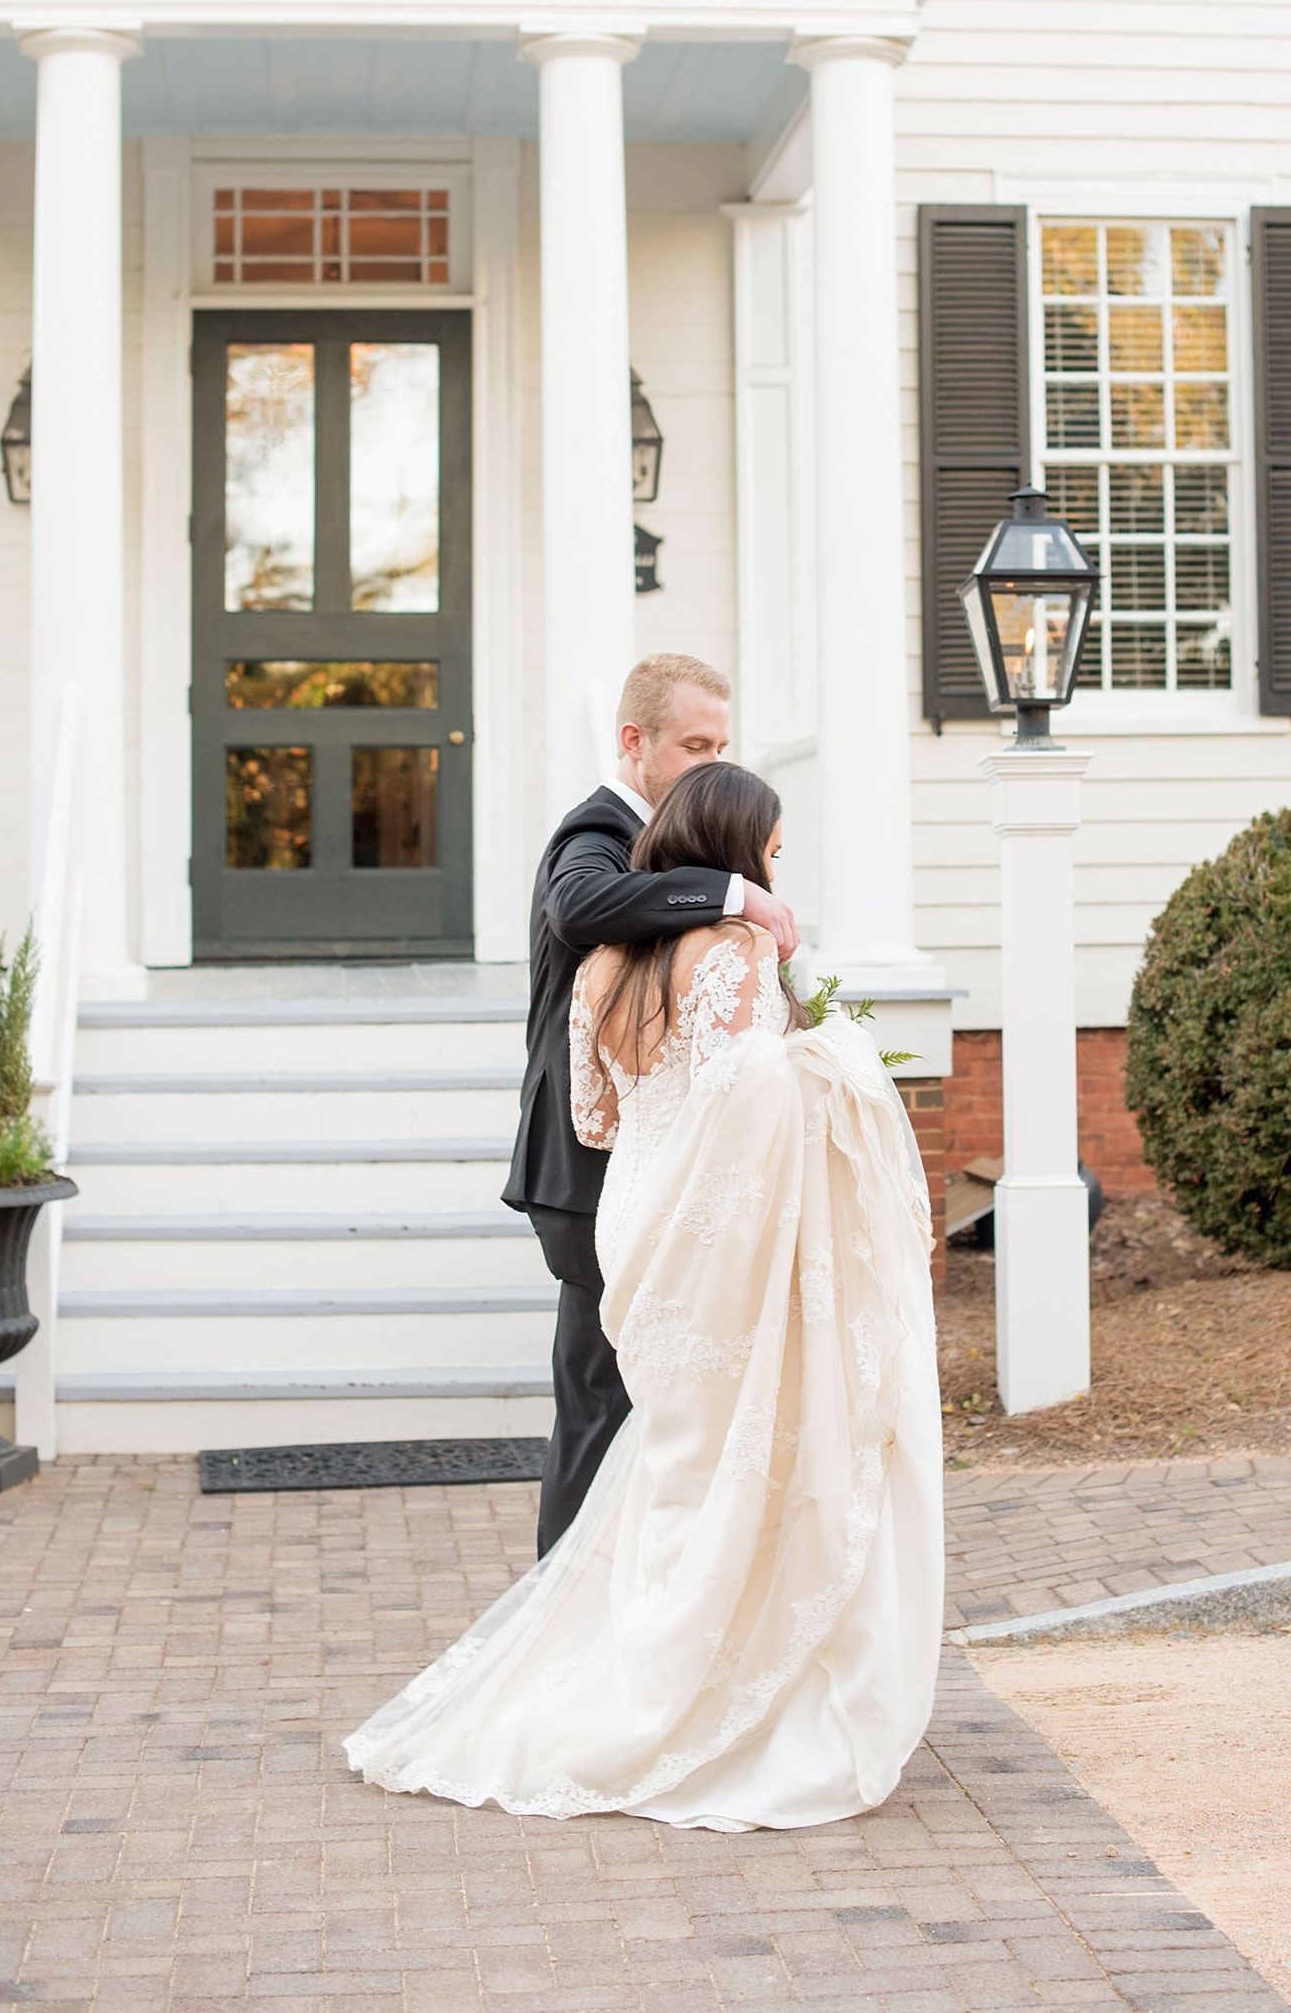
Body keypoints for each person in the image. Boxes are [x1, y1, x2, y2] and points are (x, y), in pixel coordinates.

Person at [347, 761, 941, 1829]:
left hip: (638, 1223)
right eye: (769, 845)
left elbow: (598, 1119)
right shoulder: (742, 949)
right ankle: (713, 1693)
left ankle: (633, 1663)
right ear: (736, 847)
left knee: (677, 1458)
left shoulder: (600, 967)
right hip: (718, 1234)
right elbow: (749, 1110)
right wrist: (833, 1060)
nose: (775, 864)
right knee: (737, 1466)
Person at [502, 653, 799, 1556]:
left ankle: (613, 1599)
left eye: (722, 745)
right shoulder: (593, 831)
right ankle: (566, 1611)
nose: (712, 763)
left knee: (628, 1403)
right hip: (589, 1170)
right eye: (693, 745)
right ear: (634, 743)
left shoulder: (665, 838)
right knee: (598, 1403)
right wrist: (732, 890)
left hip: (640, 1168)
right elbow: (583, 905)